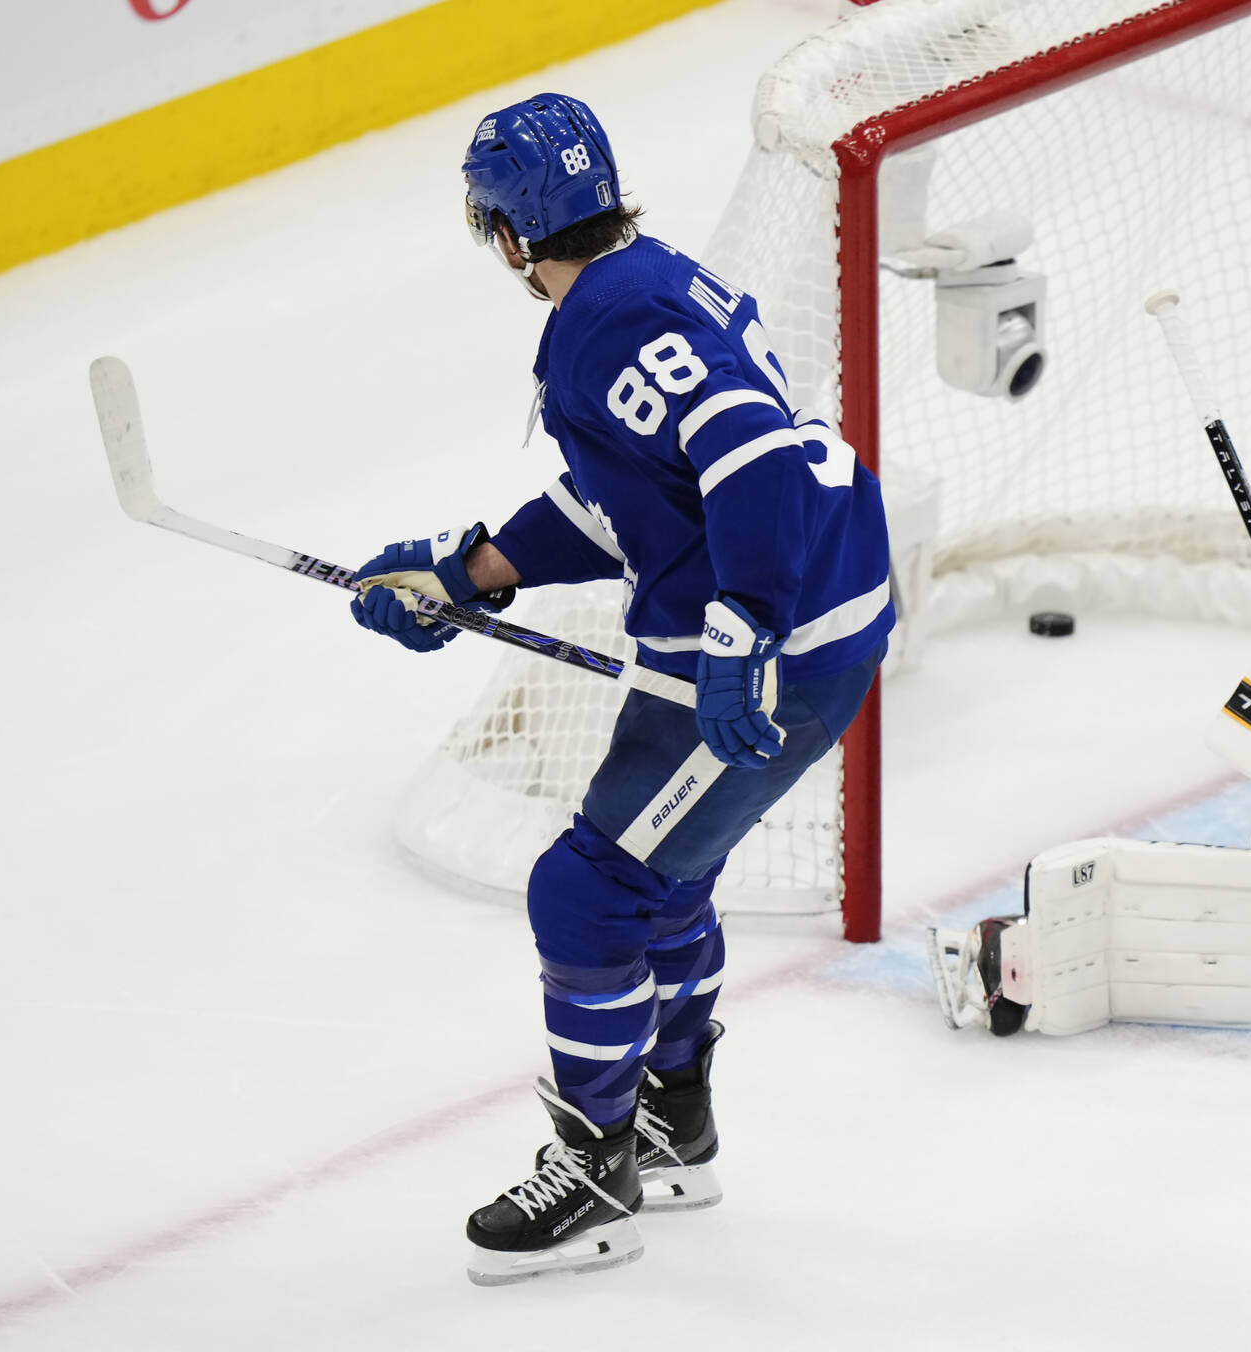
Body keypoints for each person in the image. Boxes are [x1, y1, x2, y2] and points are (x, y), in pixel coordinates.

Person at [346, 93, 893, 1285]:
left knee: (587, 894)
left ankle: (597, 1176)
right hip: (808, 601)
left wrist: (746, 621)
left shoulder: (606, 321)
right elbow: (634, 495)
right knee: (663, 872)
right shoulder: (644, 279)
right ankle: (672, 1126)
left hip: (774, 635)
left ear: (502, 231)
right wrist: (473, 573)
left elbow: (745, 445)